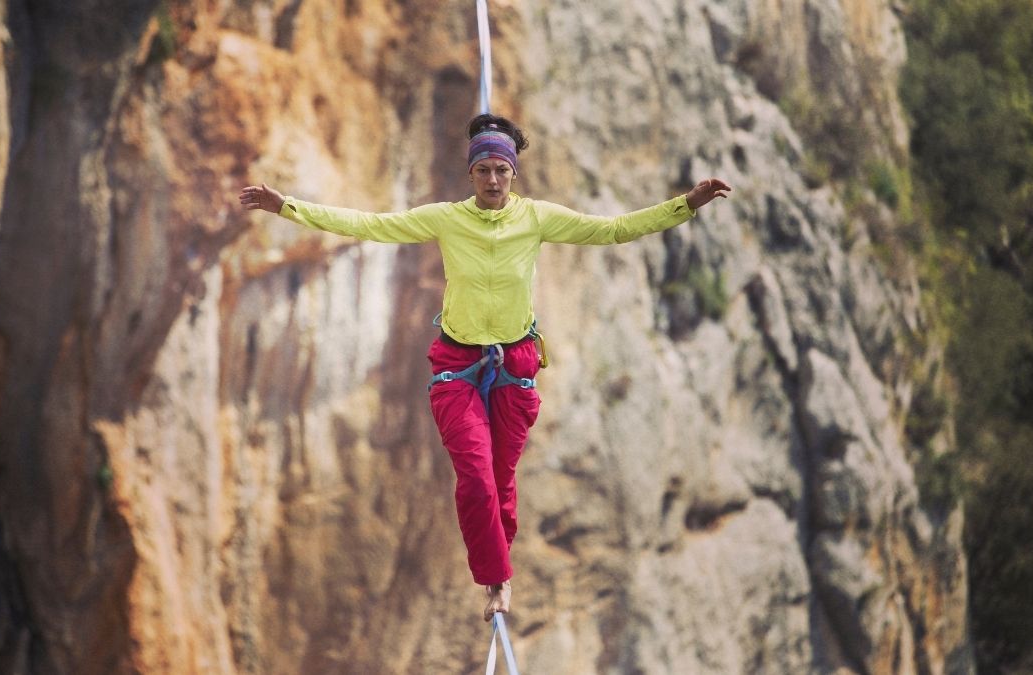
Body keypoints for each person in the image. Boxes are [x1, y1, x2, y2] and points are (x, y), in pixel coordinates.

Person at [239, 113, 731, 622]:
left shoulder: (535, 218)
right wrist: (288, 207)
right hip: (458, 364)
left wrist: (685, 205)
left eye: (501, 170)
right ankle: (495, 579)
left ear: (513, 173)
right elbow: (370, 225)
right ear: (470, 175)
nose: (492, 180)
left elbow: (612, 230)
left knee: (502, 478)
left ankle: (500, 564)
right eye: (483, 171)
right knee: (476, 478)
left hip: (515, 364)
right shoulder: (447, 219)